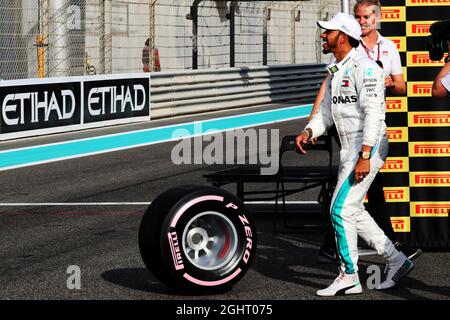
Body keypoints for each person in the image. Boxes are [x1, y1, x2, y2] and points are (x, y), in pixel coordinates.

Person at [295, 12, 415, 296]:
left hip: (368, 147)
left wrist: (364, 155)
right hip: (350, 148)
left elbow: (375, 113)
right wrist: (309, 132)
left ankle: (349, 274)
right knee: (353, 209)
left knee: (338, 210)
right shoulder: (336, 70)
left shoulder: (367, 68)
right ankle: (397, 259)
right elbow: (325, 113)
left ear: (344, 36)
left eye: (329, 32)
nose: (323, 36)